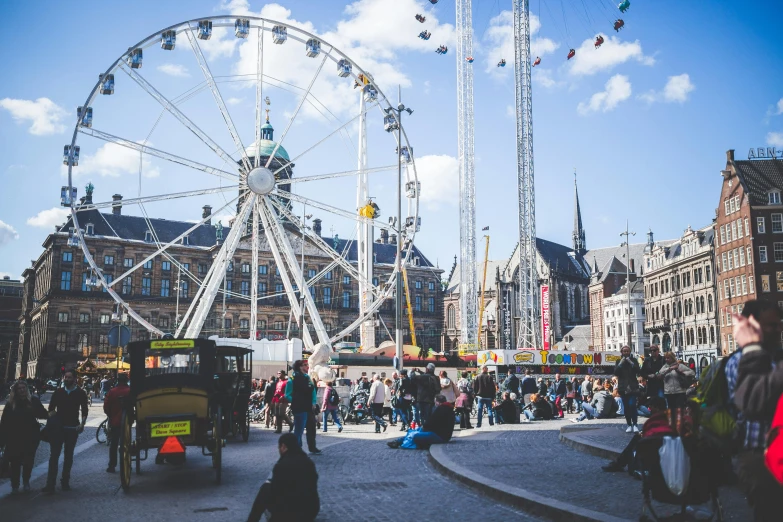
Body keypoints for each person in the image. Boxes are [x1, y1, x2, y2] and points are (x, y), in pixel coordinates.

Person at [729, 301, 783, 521]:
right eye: (771, 325)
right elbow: (751, 403)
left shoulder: (771, 358)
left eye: (779, 324)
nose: (778, 329)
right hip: (761, 454)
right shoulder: (741, 360)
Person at [247, 433, 320, 522]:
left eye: (279, 447)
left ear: (283, 446)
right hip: (310, 511)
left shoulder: (281, 466)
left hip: (290, 513)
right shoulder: (309, 463)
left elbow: (276, 492)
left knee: (265, 489)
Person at [43, 369, 88, 493]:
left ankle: (65, 481)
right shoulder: (58, 392)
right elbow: (51, 409)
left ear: (75, 379)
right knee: (54, 456)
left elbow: (84, 410)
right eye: (65, 377)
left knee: (68, 456)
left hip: (72, 428)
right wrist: (52, 421)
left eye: (69, 377)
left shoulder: (81, 393)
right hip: (58, 428)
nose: (67, 379)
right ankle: (50, 484)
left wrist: (82, 423)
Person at [0, 379, 48, 494]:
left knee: (28, 462)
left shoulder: (33, 401)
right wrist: (2, 441)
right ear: (15, 391)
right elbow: (4, 423)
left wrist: (49, 413)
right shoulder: (10, 404)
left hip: (30, 437)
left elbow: (43, 414)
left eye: (23, 388)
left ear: (26, 389)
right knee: (15, 462)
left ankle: (26, 481)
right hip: (14, 438)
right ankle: (15, 485)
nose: (22, 390)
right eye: (19, 389)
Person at [601, 397, 673, 473]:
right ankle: (620, 463)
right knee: (637, 438)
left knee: (637, 439)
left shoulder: (663, 417)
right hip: (657, 441)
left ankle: (620, 463)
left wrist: (645, 434)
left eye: (651, 407)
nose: (649, 409)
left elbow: (661, 431)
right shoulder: (662, 416)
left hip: (660, 444)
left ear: (657, 407)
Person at [387, 395, 455, 449]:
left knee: (416, 436)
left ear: (437, 402)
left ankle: (399, 442)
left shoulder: (441, 409)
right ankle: (398, 441)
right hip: (440, 434)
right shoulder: (448, 409)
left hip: (440, 436)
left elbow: (431, 422)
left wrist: (424, 428)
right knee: (416, 431)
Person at [285, 360, 321, 454]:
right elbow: (287, 395)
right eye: (305, 365)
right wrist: (296, 401)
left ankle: (312, 447)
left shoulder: (307, 377)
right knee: (299, 429)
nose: (307, 367)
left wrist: (313, 402)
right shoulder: (292, 379)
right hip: (300, 407)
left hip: (309, 407)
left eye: (307, 365)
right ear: (299, 367)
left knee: (311, 428)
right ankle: (297, 449)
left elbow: (312, 390)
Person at [103, 372, 130, 473]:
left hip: (114, 421)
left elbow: (106, 407)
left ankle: (112, 465)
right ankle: (127, 463)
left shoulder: (112, 392)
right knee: (127, 443)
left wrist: (110, 415)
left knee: (113, 444)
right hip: (126, 421)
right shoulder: (129, 391)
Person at [614, 345, 641, 433]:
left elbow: (638, 371)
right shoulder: (618, 361)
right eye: (624, 351)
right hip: (623, 387)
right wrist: (621, 364)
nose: (626, 353)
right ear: (621, 352)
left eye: (627, 351)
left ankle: (635, 424)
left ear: (630, 352)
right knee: (626, 407)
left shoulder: (634, 360)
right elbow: (616, 372)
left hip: (633, 387)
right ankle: (629, 424)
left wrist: (631, 363)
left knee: (632, 404)